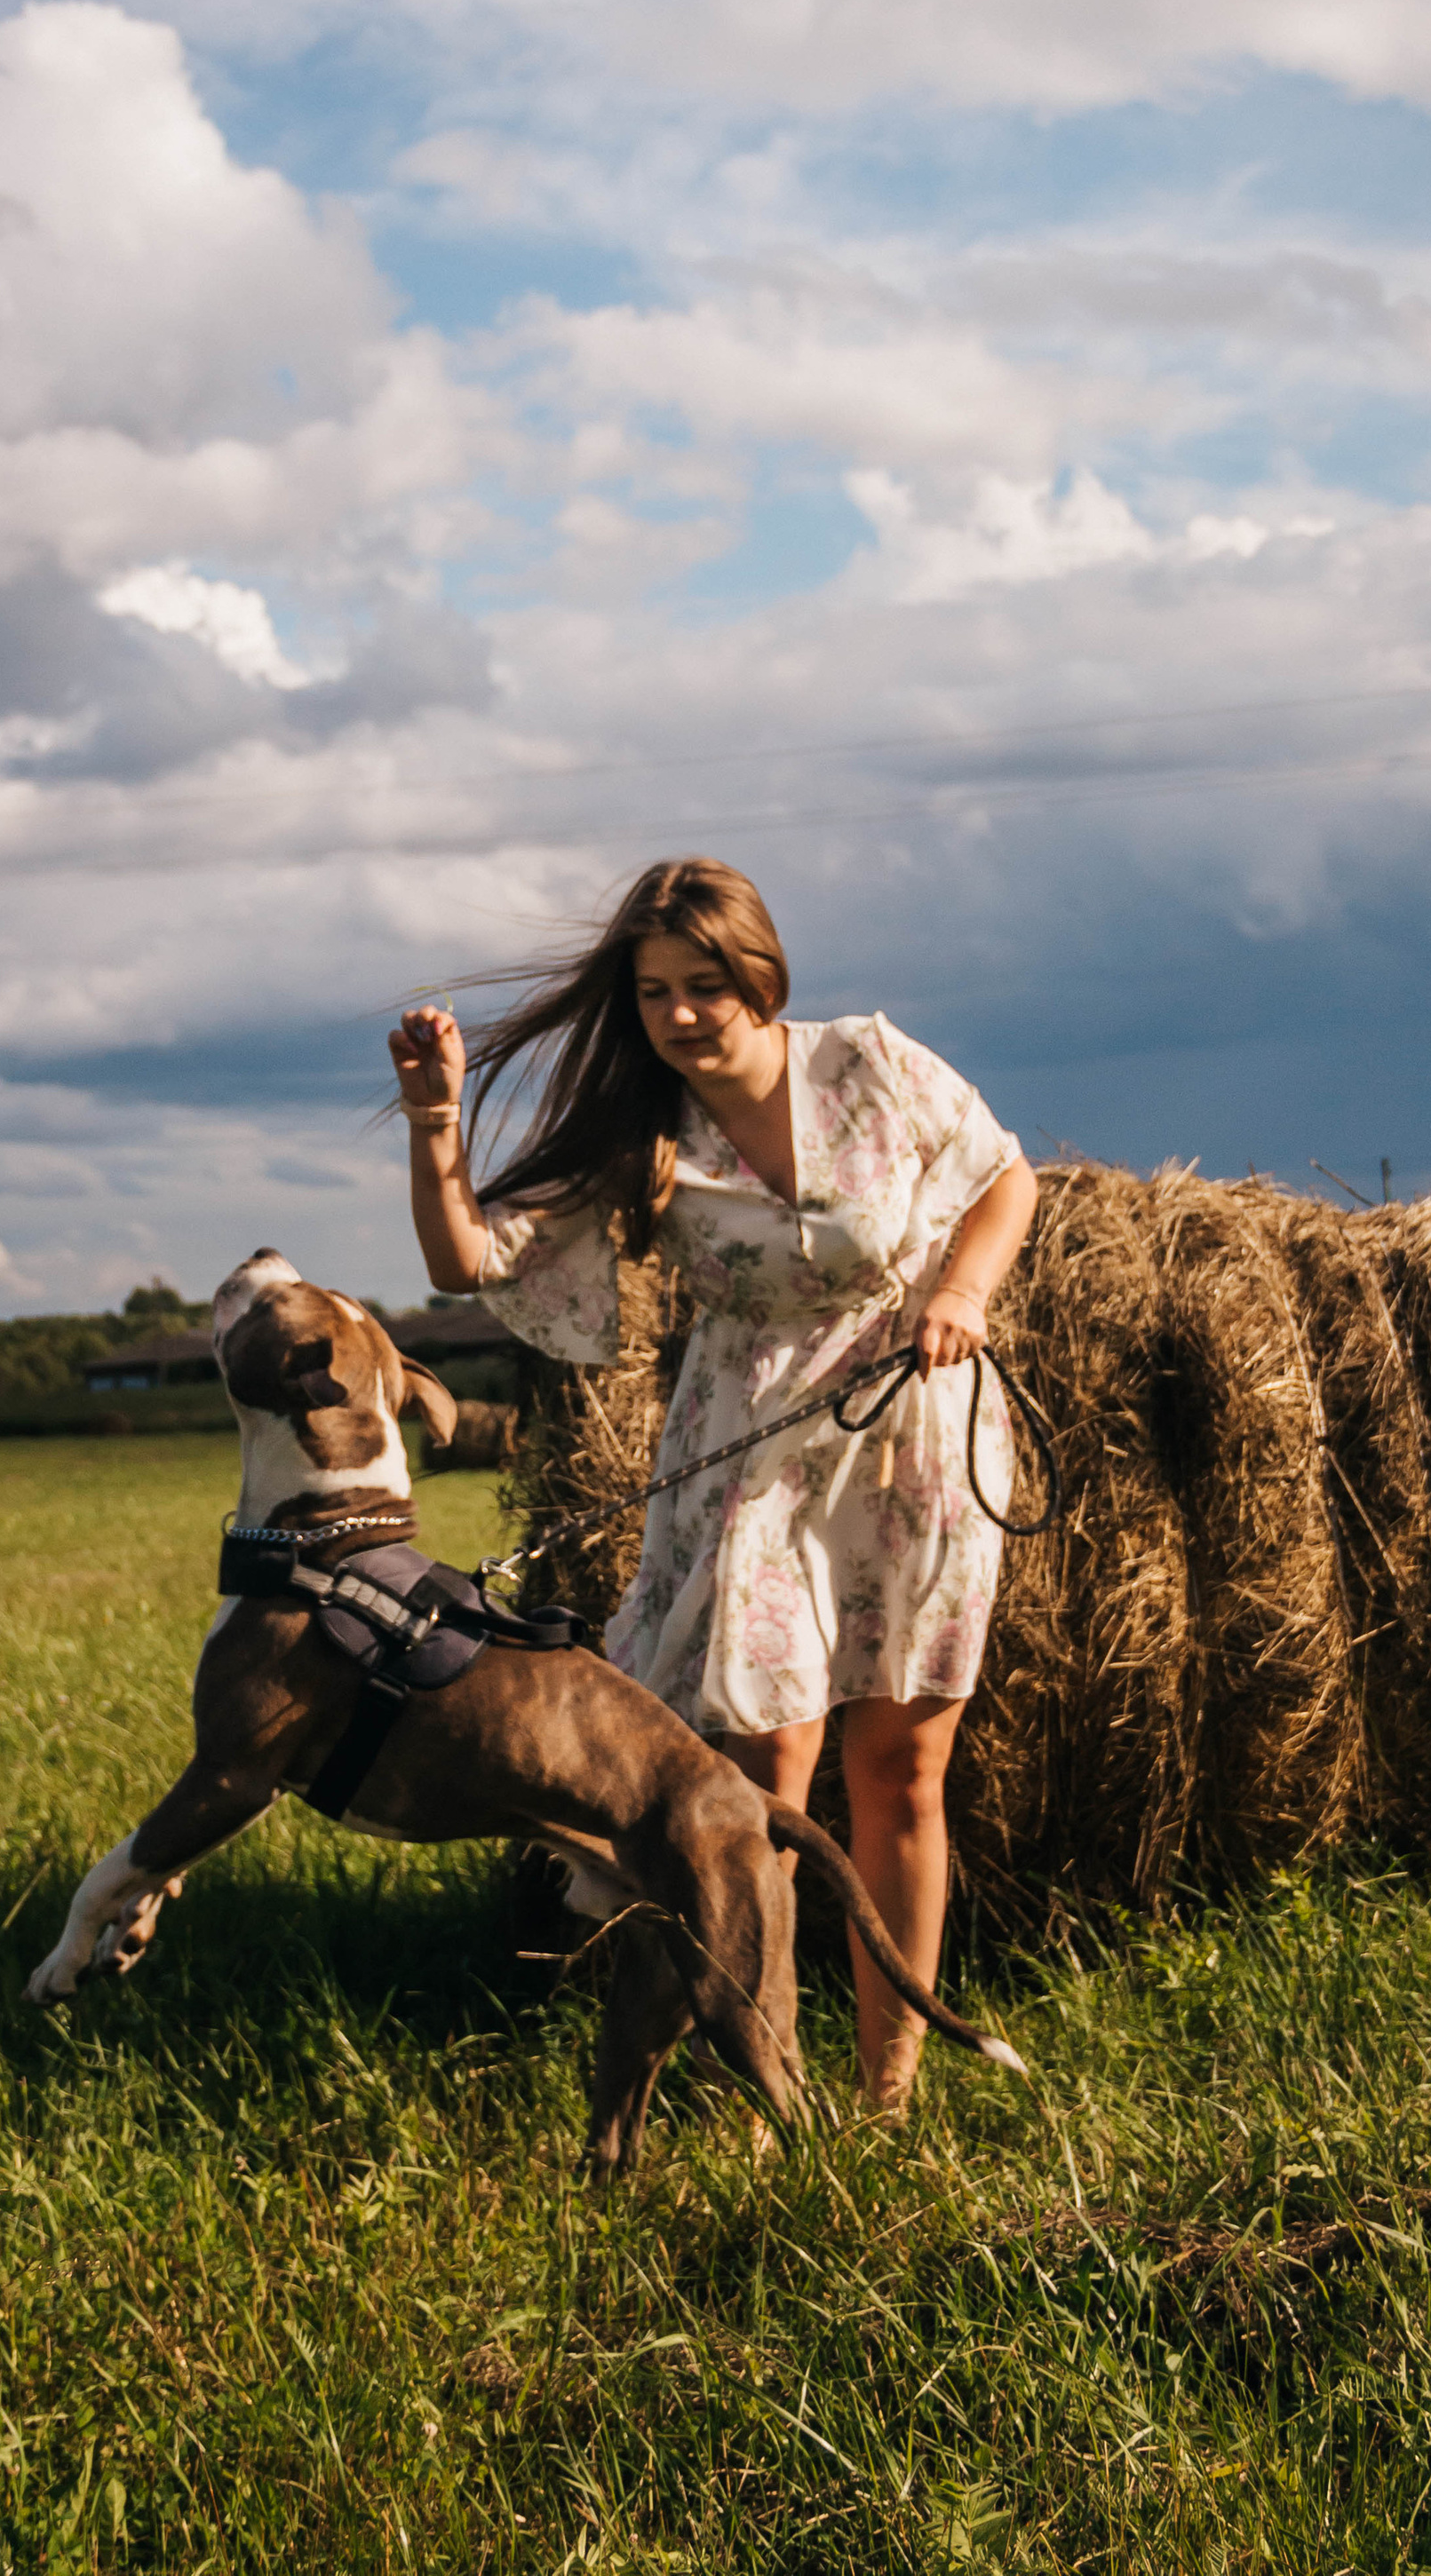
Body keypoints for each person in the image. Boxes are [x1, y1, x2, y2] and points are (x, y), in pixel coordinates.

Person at [392, 857, 1037, 2114]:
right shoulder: (643, 1139)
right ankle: (768, 2093)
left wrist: (958, 1293)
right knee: (760, 1792)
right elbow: (472, 1261)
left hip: (915, 1443)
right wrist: (434, 1123)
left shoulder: (871, 1063)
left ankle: (888, 2098)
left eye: (705, 985)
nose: (681, 1015)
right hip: (753, 1468)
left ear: (763, 973)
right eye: (652, 994)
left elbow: (1004, 1176)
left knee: (902, 1773)